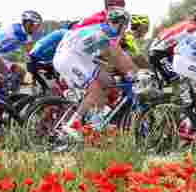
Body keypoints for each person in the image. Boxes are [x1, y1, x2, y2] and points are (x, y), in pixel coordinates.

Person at [52, 8, 135, 140]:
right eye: (126, 25)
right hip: (68, 58)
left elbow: (112, 57)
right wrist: (134, 74)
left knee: (108, 82)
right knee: (95, 89)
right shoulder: (107, 32)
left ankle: (94, 121)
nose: (126, 29)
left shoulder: (106, 29)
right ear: (120, 23)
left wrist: (127, 71)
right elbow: (116, 55)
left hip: (81, 57)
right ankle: (73, 125)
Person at [148, 7, 196, 84]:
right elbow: (195, 50)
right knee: (176, 81)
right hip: (160, 52)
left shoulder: (188, 24)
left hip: (160, 50)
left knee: (184, 76)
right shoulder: (193, 28)